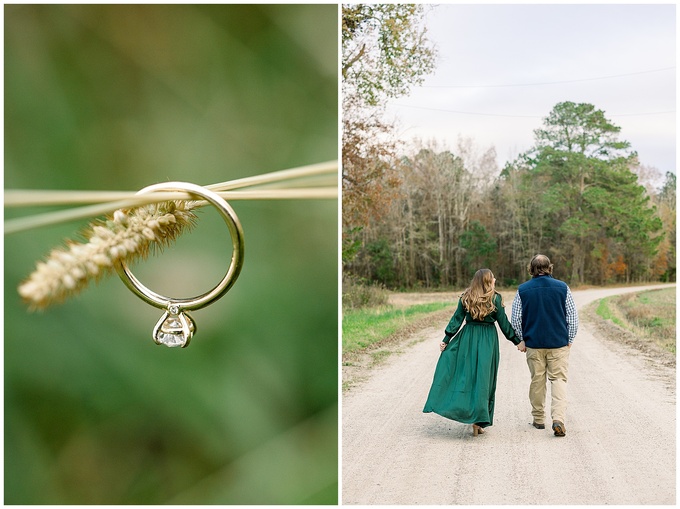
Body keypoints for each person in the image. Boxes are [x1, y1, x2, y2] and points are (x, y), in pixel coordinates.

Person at [423, 268, 521, 436]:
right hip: (487, 341)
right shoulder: (495, 298)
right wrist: (517, 342)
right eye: (492, 278)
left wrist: (446, 339)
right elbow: (504, 324)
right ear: (487, 281)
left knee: (467, 378)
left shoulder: (466, 297)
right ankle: (478, 421)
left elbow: (456, 320)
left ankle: (472, 416)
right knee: (484, 379)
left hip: (468, 338)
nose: (495, 279)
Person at [511, 254, 578, 437]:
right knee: (558, 380)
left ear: (531, 269)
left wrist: (521, 339)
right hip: (558, 343)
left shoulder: (522, 290)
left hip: (534, 344)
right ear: (550, 267)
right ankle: (558, 418)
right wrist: (569, 338)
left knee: (537, 380)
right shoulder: (563, 288)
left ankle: (539, 419)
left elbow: (516, 318)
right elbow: (572, 317)